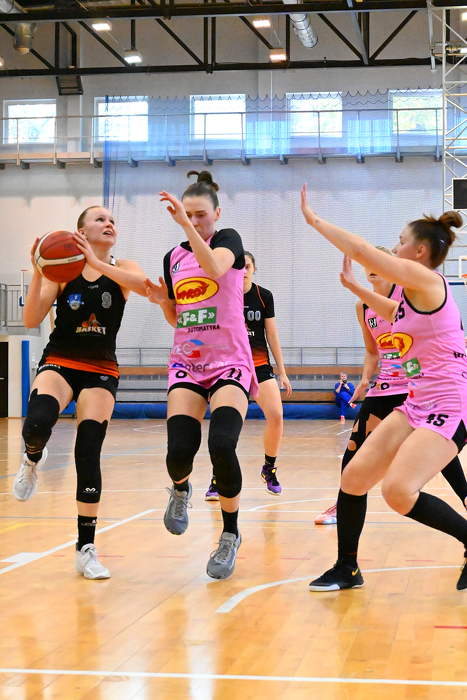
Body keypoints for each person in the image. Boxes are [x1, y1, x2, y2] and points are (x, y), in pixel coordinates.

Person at [300, 185, 467, 592]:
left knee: (397, 491)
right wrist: (354, 287)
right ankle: (347, 569)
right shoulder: (412, 297)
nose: (394, 248)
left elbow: (361, 249)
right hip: (417, 403)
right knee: (354, 478)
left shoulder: (427, 280)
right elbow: (393, 312)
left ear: (419, 252)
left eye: (400, 242)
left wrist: (315, 220)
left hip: (449, 405)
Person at [14, 206, 149, 579]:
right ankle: (32, 458)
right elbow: (30, 320)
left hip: (101, 369)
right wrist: (39, 271)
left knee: (88, 452)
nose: (109, 224)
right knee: (36, 425)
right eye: (100, 219)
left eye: (112, 221)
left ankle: (85, 549)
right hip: (60, 361)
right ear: (80, 232)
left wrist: (98, 263)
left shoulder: (124, 268)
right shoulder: (63, 271)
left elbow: (146, 289)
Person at [146, 170, 257, 580]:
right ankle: (181, 488)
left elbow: (212, 270)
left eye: (200, 215)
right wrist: (163, 302)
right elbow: (180, 316)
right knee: (179, 452)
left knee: (222, 445)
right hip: (187, 363)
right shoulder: (172, 258)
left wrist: (186, 228)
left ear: (216, 214)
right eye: (187, 215)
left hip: (230, 362)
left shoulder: (229, 240)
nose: (193, 221)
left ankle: (229, 534)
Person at [315, 249, 467, 526]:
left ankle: (465, 496)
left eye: (377, 262)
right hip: (385, 386)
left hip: (415, 386)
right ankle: (342, 504)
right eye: (367, 263)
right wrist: (364, 379)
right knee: (353, 450)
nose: (372, 267)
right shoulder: (363, 306)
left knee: (439, 449)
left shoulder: (409, 296)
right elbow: (372, 351)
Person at [205, 251, 292, 501]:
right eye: (239, 266)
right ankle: (217, 476)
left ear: (254, 269)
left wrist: (282, 371)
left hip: (259, 365)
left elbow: (271, 334)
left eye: (248, 266)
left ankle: (269, 468)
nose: (243, 271)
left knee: (276, 416)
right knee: (226, 424)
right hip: (231, 367)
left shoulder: (264, 296)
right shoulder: (222, 294)